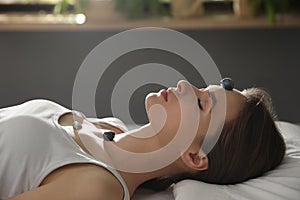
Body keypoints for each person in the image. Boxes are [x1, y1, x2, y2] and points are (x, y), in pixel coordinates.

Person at [0, 79, 285, 200]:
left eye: (200, 103)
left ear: (195, 156)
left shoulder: (97, 187)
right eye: (200, 88)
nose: (184, 85)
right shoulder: (108, 125)